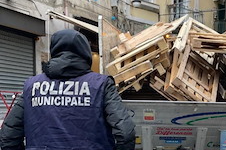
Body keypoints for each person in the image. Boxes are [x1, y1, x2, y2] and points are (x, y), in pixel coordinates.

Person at [0, 29, 136, 150]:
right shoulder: (101, 84)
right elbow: (125, 132)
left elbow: (8, 135)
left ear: (54, 50)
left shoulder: (32, 86)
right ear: (85, 52)